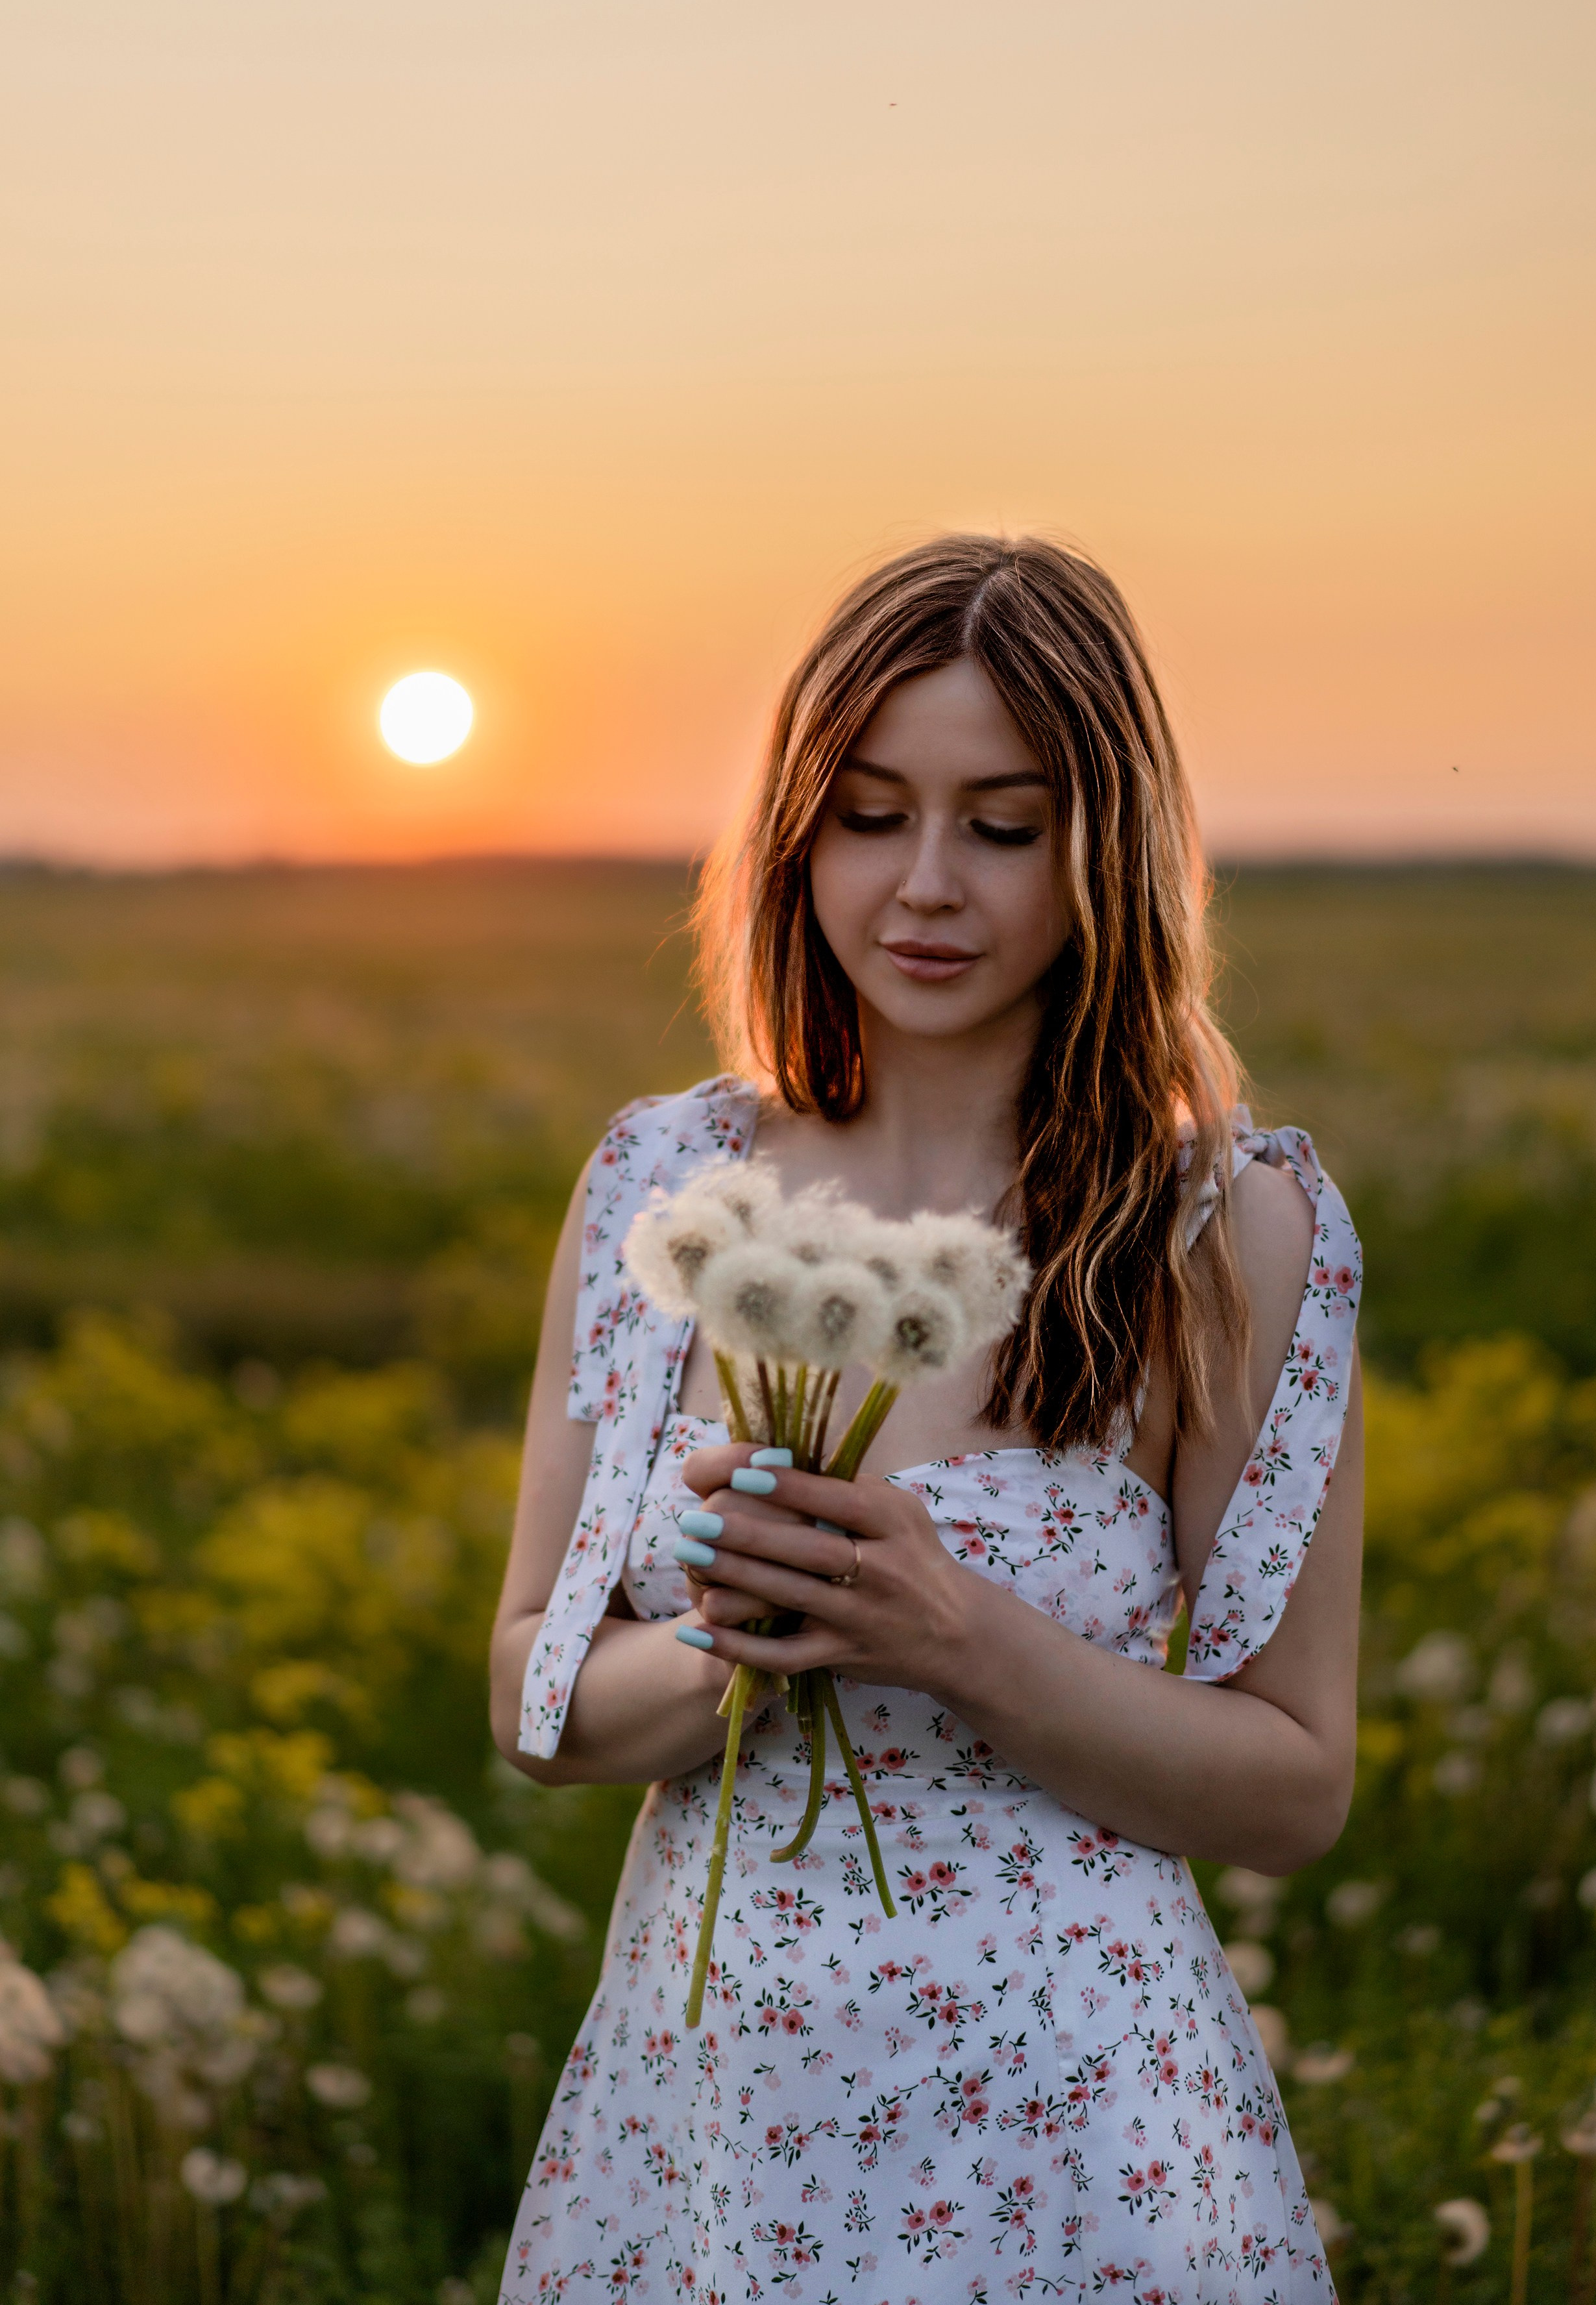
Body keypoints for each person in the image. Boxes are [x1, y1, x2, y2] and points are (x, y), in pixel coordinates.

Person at [489, 535, 1364, 2302]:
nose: (926, 884)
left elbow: (1294, 1785)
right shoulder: (668, 1187)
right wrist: (730, 1644)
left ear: (1104, 844)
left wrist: (951, 1630)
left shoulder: (1223, 1227)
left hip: (1081, 2148)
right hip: (709, 2140)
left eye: (1005, 822)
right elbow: (537, 1698)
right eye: (874, 812)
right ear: (799, 832)